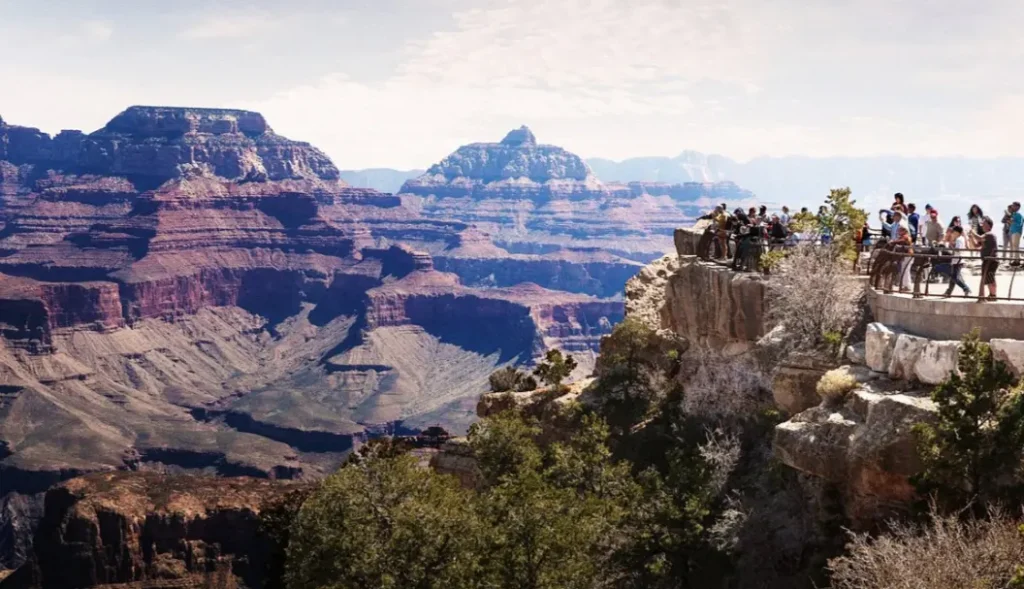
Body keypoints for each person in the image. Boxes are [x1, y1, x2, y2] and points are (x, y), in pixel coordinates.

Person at [941, 226, 972, 297]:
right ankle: (948, 292)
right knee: (953, 278)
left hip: (958, 261)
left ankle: (966, 289)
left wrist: (951, 246)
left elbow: (958, 250)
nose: (953, 233)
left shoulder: (959, 239)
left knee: (955, 278)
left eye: (954, 232)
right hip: (957, 261)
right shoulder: (960, 239)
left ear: (957, 232)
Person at [979, 217, 999, 302]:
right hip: (987, 260)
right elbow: (976, 245)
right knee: (987, 278)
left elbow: (979, 238)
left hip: (991, 260)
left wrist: (972, 232)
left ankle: (993, 295)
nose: (982, 225)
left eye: (984, 223)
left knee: (990, 277)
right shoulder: (985, 236)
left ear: (988, 225)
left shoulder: (989, 234)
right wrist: (970, 236)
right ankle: (991, 295)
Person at [1010, 202, 1023, 267]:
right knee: (1014, 246)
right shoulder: (1013, 214)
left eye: (1014, 206)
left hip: (1017, 232)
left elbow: (1020, 224)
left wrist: (1013, 221)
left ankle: (1017, 260)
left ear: (1017, 207)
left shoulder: (1019, 215)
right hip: (1013, 232)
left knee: (1016, 246)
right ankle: (1016, 259)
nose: (1012, 207)